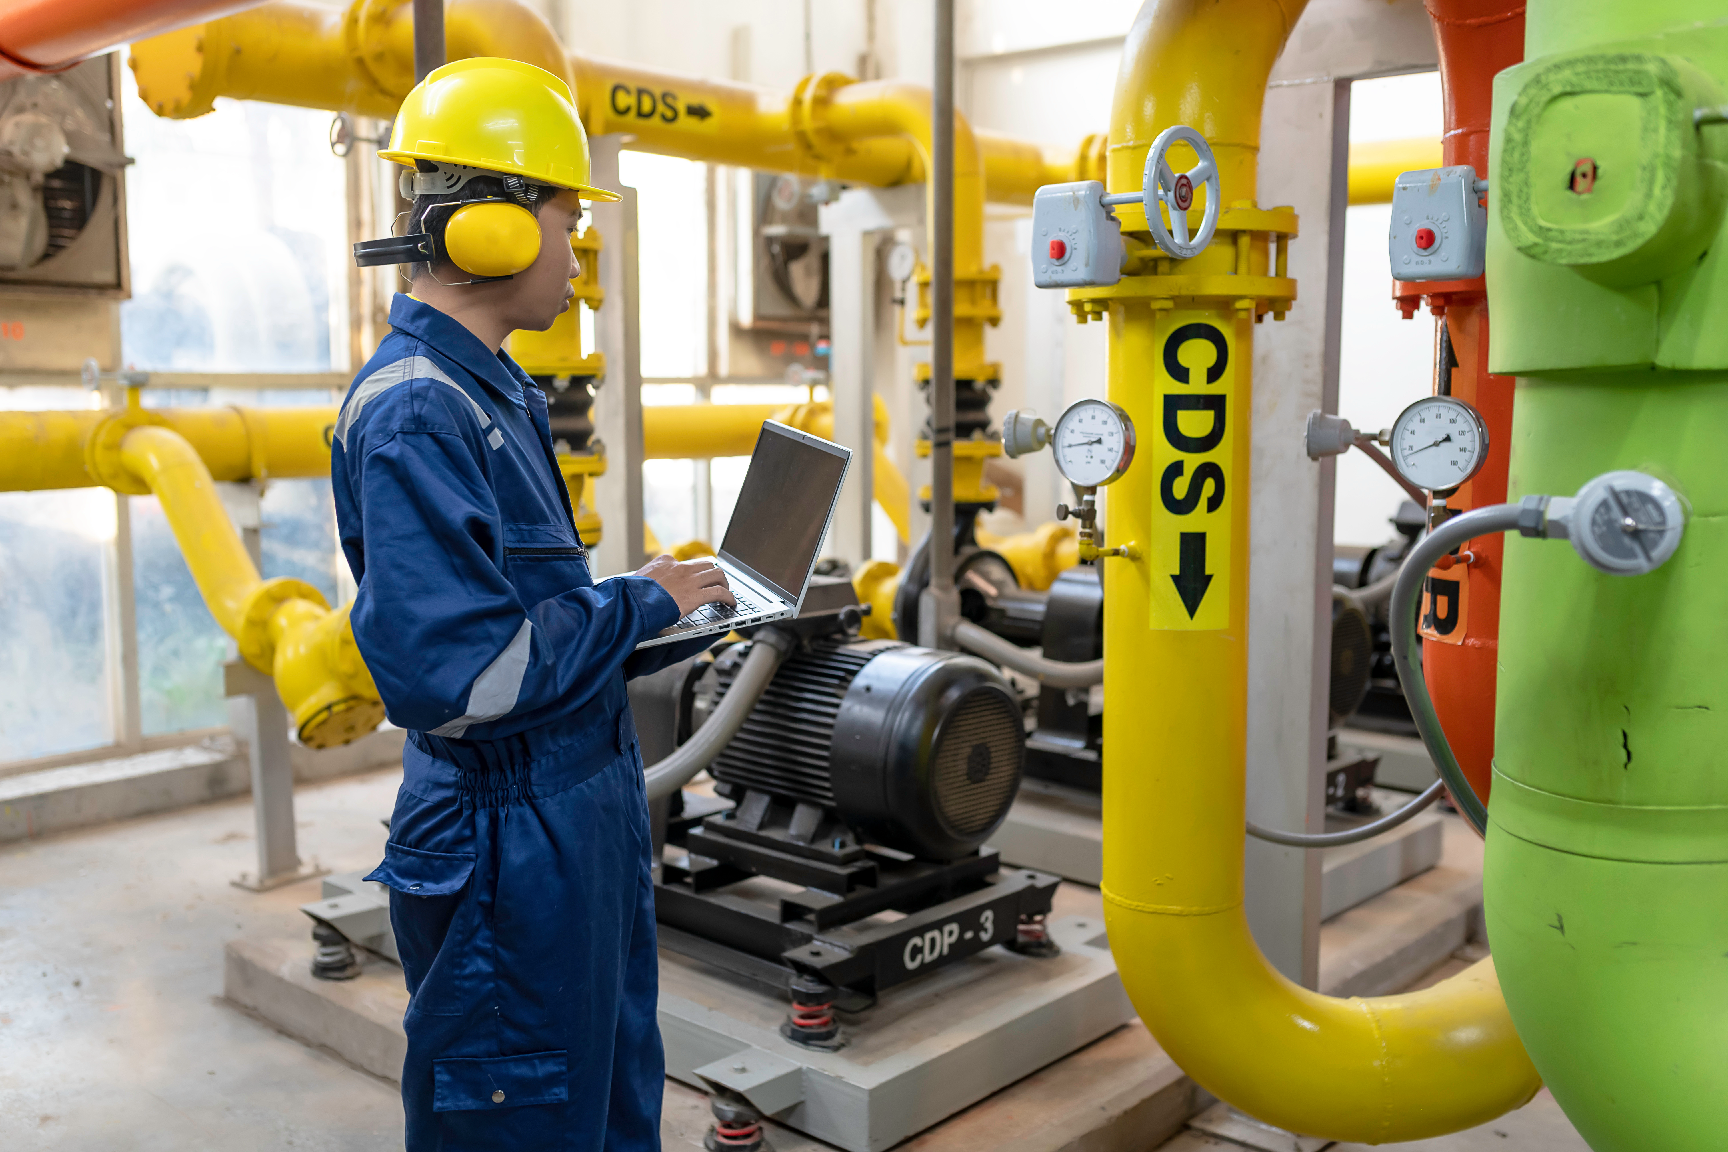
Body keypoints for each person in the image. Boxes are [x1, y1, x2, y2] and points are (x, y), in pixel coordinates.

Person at [331, 56, 733, 1151]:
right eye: (565, 220)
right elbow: (465, 679)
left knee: (604, 1100)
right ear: (488, 233)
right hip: (511, 834)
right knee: (527, 1119)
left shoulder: (489, 385)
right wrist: (636, 607)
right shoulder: (421, 413)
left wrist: (658, 612)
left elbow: (526, 616)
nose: (576, 251)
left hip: (572, 809)